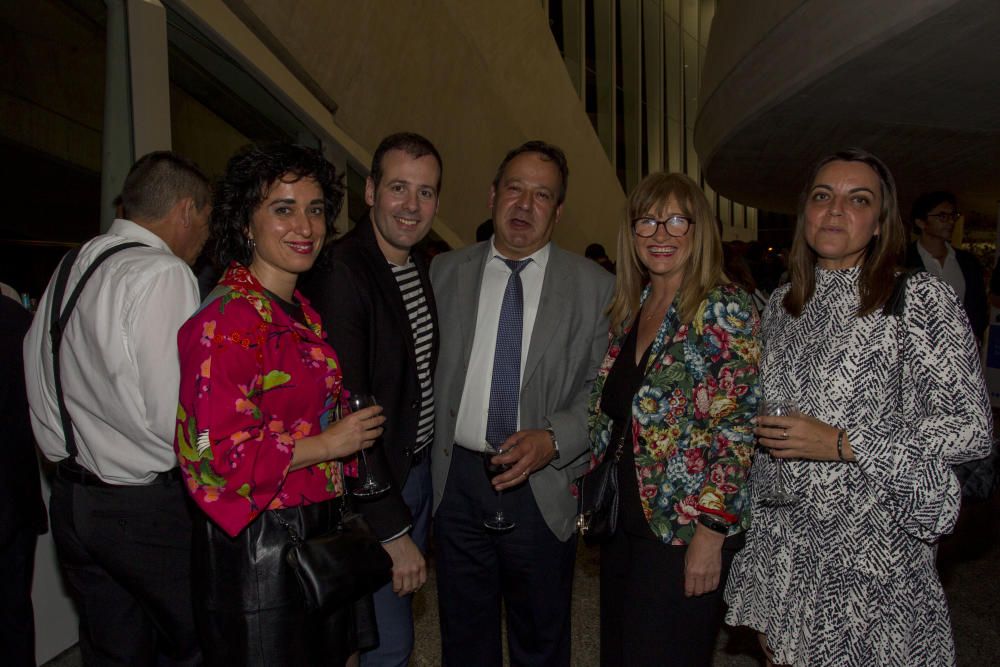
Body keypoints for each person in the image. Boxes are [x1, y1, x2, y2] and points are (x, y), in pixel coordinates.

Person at [724, 149, 993, 666]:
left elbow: (971, 430)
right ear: (806, 212)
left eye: (858, 199)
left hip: (877, 562)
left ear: (878, 224)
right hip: (790, 560)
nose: (835, 210)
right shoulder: (783, 306)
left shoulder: (919, 298)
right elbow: (768, 451)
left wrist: (843, 443)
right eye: (823, 196)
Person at [174, 143, 386, 666]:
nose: (305, 226)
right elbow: (211, 460)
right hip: (261, 551)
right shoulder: (226, 322)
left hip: (321, 530)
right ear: (247, 221)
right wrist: (328, 443)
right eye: (283, 208)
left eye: (315, 209)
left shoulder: (300, 311)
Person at [431, 140, 615, 666]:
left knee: (541, 638)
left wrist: (556, 437)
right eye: (515, 188)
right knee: (464, 638)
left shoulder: (597, 288)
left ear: (557, 212)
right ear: (492, 196)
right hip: (458, 482)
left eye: (542, 195)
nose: (524, 205)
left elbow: (604, 391)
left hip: (543, 484)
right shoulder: (444, 272)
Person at [23, 151, 211, 666]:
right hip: (145, 511)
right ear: (187, 211)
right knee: (202, 643)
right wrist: (212, 450)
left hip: (72, 500)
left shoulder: (70, 266)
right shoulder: (163, 273)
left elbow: (36, 375)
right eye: (207, 222)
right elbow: (177, 413)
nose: (205, 239)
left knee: (113, 652)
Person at [587, 172, 759, 665]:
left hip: (682, 532)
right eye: (648, 221)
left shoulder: (724, 307)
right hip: (627, 522)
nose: (661, 234)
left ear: (699, 229)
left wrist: (711, 533)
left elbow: (737, 430)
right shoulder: (633, 306)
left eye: (676, 220)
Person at [302, 131, 442, 667]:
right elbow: (350, 405)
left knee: (385, 631)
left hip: (413, 469)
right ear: (370, 190)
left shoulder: (414, 265)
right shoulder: (344, 270)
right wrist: (392, 527)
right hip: (374, 488)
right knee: (387, 644)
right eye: (399, 188)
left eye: (425, 193)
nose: (411, 205)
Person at [1, 293, 46, 667]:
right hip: (13, 497)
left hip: (13, 499)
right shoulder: (15, 319)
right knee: (14, 618)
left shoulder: (14, 318)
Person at [904, 190, 987, 341]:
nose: (951, 222)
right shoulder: (902, 261)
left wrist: (974, 337)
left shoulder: (967, 262)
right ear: (921, 222)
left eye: (953, 216)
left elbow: (979, 306)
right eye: (942, 216)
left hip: (960, 349)